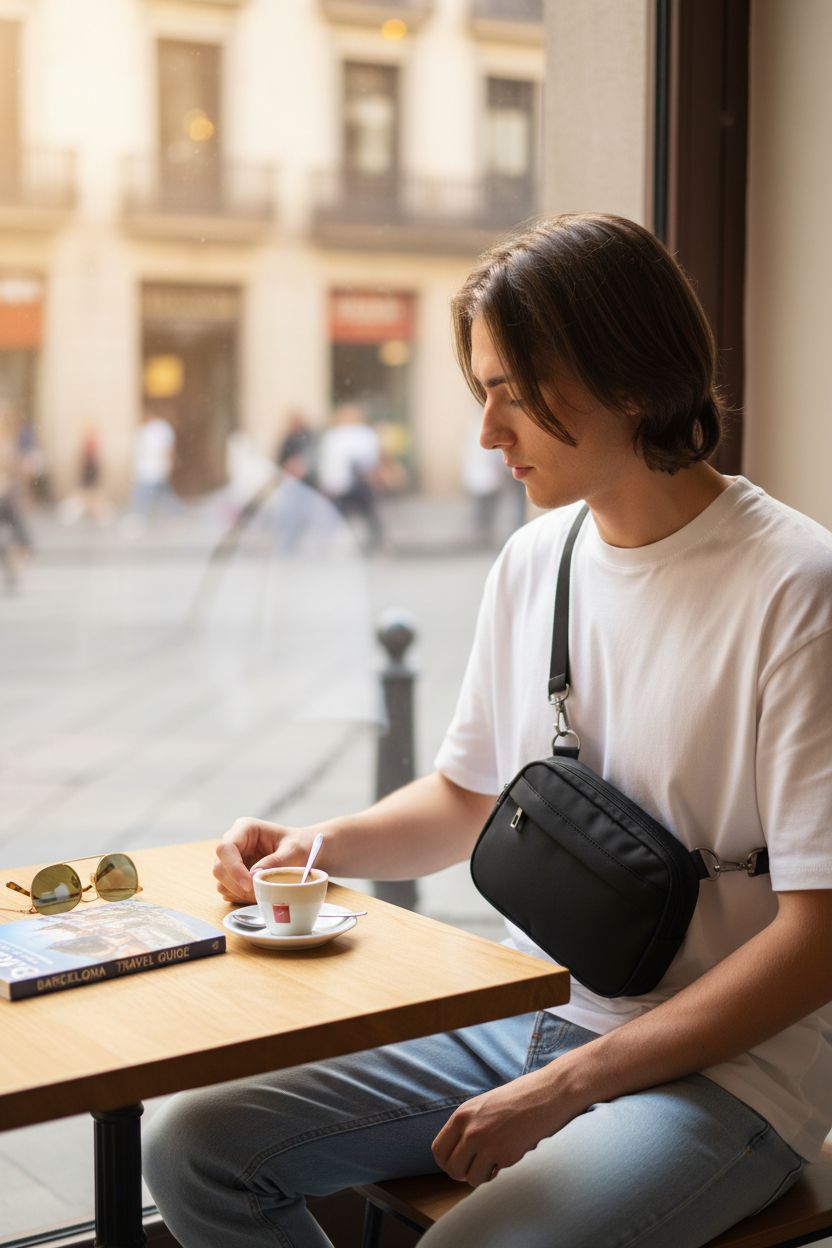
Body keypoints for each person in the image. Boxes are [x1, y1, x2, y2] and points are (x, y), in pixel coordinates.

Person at [144, 214, 832, 1248]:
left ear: (633, 380)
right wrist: (316, 848)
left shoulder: (796, 589)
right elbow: (467, 799)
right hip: (534, 1010)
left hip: (730, 1073)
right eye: (482, 390)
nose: (485, 431)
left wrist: (565, 1087)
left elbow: (815, 944)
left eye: (512, 390)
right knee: (197, 1145)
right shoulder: (536, 560)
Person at [316, 402, 384, 551]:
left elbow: (367, 460)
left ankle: (374, 545)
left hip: (352, 482)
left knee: (363, 516)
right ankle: (374, 545)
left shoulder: (345, 434)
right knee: (364, 516)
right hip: (346, 483)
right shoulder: (340, 434)